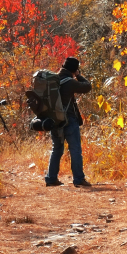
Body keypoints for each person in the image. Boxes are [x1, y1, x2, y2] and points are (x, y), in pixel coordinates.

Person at [45, 56, 92, 187]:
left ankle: (51, 179)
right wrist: (79, 75)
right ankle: (78, 179)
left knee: (57, 149)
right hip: (69, 120)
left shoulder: (53, 80)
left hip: (54, 120)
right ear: (74, 69)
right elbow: (87, 87)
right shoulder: (70, 82)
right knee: (75, 149)